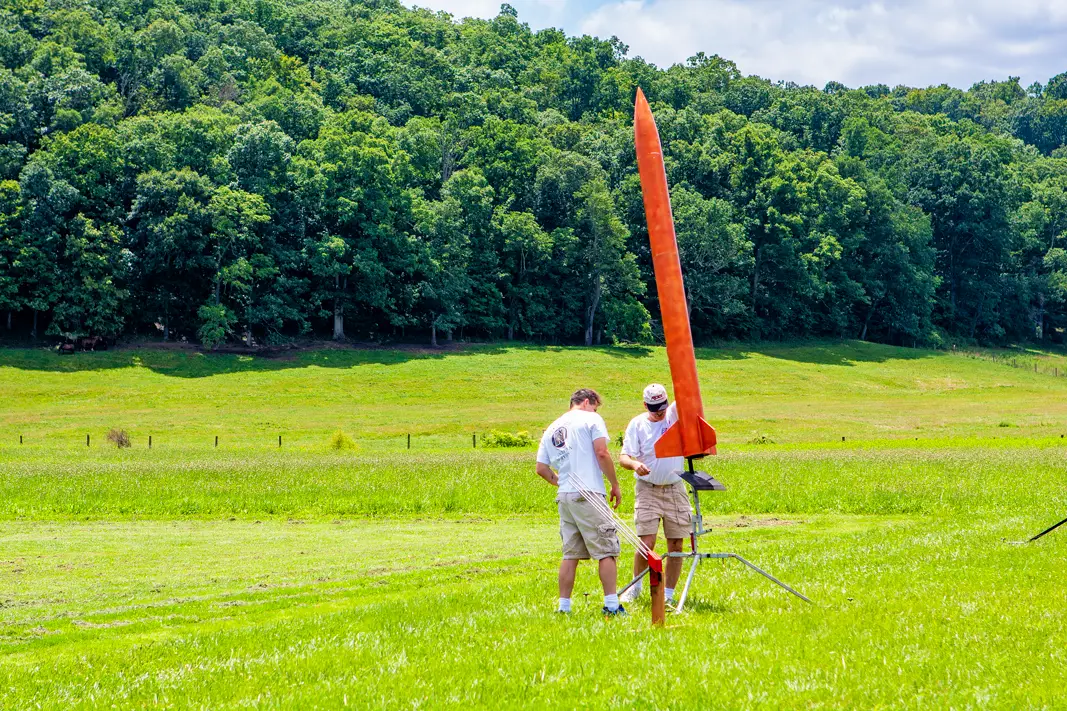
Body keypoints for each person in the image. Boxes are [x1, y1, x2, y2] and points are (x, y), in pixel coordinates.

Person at [536, 388, 625, 615]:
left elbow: (541, 469)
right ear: (588, 402)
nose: (595, 410)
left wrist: (560, 482)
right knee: (606, 549)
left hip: (565, 496)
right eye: (595, 406)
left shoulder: (552, 428)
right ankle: (612, 605)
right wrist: (614, 483)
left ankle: (564, 607)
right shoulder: (591, 418)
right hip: (589, 492)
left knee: (570, 554)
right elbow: (602, 452)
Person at [618, 383, 691, 605]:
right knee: (646, 543)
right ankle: (635, 587)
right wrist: (635, 464)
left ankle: (668, 594)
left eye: (662, 406)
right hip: (647, 489)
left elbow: (686, 392)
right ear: (645, 405)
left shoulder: (673, 415)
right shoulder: (637, 424)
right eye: (654, 408)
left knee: (676, 543)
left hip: (675, 487)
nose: (659, 412)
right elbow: (624, 457)